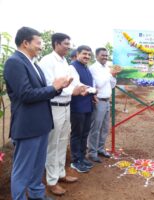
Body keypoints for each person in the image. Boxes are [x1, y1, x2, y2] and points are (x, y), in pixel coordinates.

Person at [4, 27, 71, 200]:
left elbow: (42, 91)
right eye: (38, 43)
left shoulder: (32, 63)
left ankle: (37, 195)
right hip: (27, 127)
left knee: (37, 167)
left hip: (41, 125)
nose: (41, 47)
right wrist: (53, 87)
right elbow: (25, 94)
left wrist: (58, 88)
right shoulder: (15, 62)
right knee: (22, 170)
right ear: (25, 43)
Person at [39, 33, 88, 195]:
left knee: (62, 141)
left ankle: (60, 174)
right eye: (66, 44)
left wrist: (81, 88)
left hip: (66, 106)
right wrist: (72, 90)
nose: (69, 47)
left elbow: (72, 80)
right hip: (54, 106)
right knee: (53, 144)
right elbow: (49, 85)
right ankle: (51, 181)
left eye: (69, 44)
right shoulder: (47, 61)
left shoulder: (64, 61)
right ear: (56, 43)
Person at [87, 47, 119, 162]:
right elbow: (99, 84)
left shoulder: (106, 68)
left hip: (106, 101)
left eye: (106, 55)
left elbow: (112, 85)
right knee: (96, 128)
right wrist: (110, 74)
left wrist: (113, 77)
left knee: (105, 128)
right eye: (103, 55)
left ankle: (100, 148)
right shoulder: (93, 68)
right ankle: (92, 152)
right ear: (96, 56)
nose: (105, 57)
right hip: (98, 101)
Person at [70, 45, 95, 173]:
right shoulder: (72, 67)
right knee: (76, 134)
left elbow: (90, 85)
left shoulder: (86, 68)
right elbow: (79, 86)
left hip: (87, 105)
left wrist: (91, 90)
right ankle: (75, 160)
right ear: (78, 54)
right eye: (84, 54)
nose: (87, 56)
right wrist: (93, 90)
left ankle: (82, 157)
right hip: (77, 106)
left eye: (89, 54)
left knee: (85, 133)